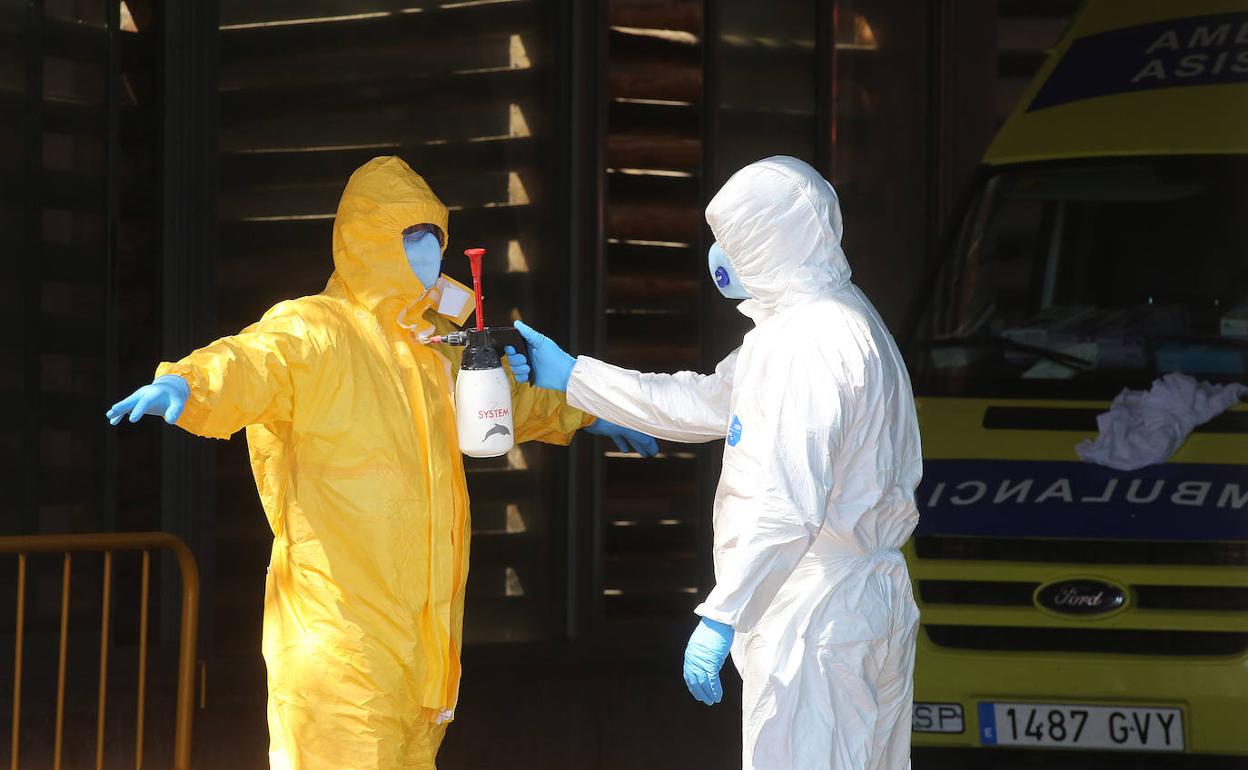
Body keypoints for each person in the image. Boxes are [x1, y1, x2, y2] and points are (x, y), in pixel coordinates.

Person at [106, 156, 657, 770]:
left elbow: (502, 404)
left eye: (433, 237)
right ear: (367, 241)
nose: (426, 252)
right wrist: (188, 384)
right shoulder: (316, 331)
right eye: (408, 236)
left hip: (422, 654)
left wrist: (591, 413)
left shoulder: (435, 346)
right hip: (337, 646)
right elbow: (254, 361)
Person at [512, 156, 922, 770]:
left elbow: (786, 501)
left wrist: (724, 612)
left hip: (813, 613)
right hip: (854, 604)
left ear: (767, 244)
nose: (718, 256)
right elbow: (705, 401)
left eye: (732, 239)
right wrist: (576, 378)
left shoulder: (804, 346)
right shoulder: (833, 318)